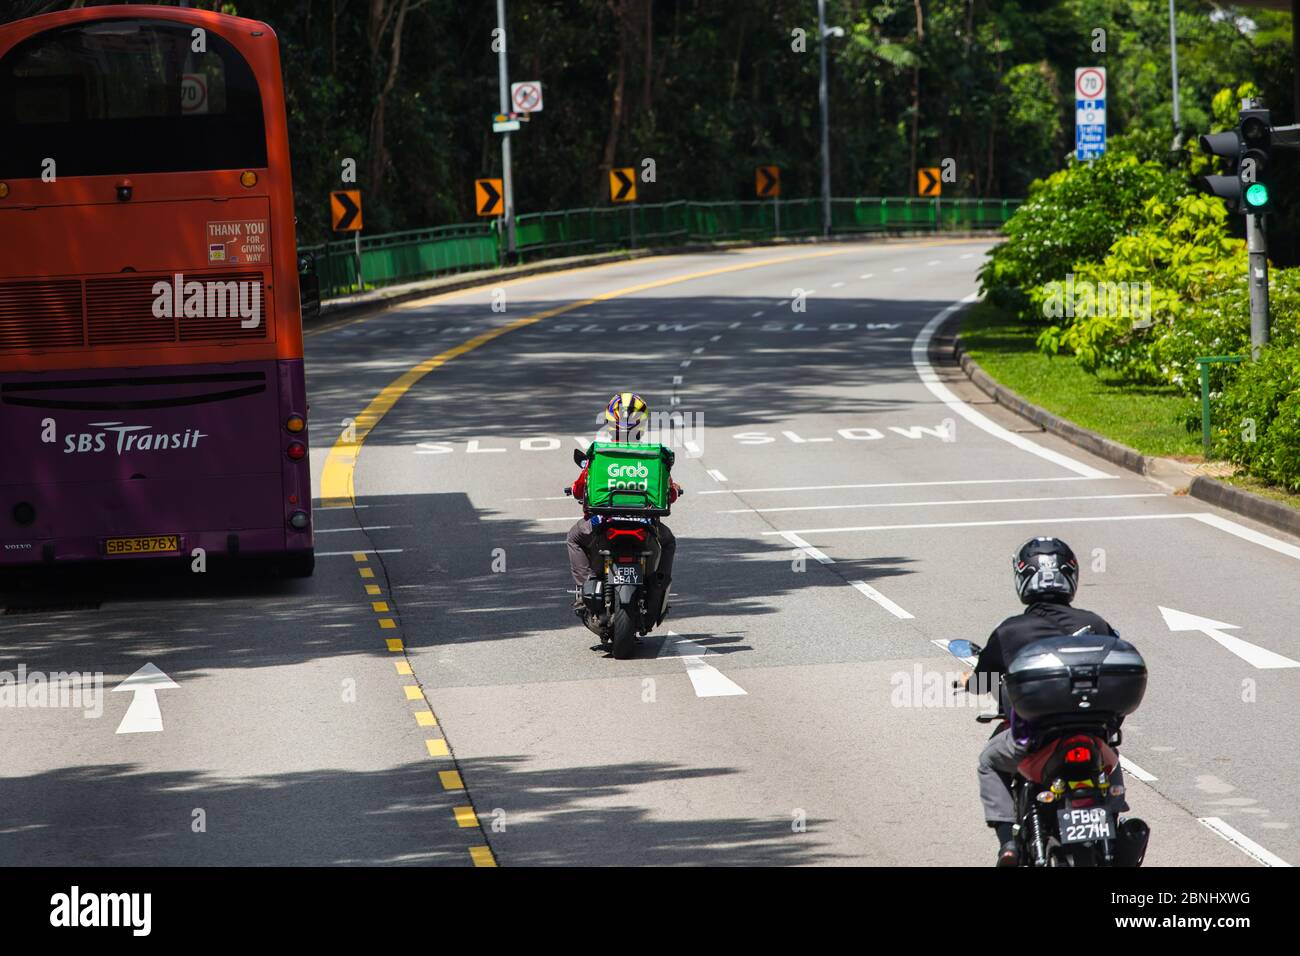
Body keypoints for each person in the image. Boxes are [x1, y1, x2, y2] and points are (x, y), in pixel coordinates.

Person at [961, 536, 1130, 867]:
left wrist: (968, 681)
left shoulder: (1010, 631)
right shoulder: (1095, 623)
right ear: (1071, 578)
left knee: (990, 762)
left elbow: (983, 680)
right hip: (1093, 734)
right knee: (1111, 758)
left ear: (1023, 579)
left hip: (1034, 737)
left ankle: (1008, 844)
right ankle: (1117, 814)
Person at [567, 392, 680, 619]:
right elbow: (670, 493)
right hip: (646, 525)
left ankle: (584, 588)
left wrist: (576, 489)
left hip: (603, 523)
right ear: (643, 424)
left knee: (574, 537)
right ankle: (659, 587)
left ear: (610, 422)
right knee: (668, 542)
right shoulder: (653, 456)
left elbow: (580, 489)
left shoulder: (599, 454)